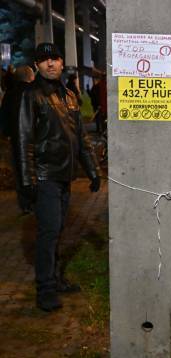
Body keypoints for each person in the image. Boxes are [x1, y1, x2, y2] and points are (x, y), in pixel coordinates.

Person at [17, 43, 101, 312]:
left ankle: (54, 278)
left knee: (57, 231)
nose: (50, 64)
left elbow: (81, 138)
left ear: (62, 63)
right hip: (44, 177)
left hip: (64, 175)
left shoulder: (69, 95)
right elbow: (23, 140)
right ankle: (45, 289)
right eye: (44, 60)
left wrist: (93, 170)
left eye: (54, 58)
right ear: (37, 66)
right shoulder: (31, 95)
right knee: (49, 232)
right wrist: (28, 180)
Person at [0, 65, 35, 213]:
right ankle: (36, 201)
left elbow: (3, 119)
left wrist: (8, 134)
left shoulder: (9, 94)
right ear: (30, 77)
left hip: (15, 141)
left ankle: (25, 203)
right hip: (33, 140)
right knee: (34, 171)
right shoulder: (35, 93)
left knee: (20, 172)